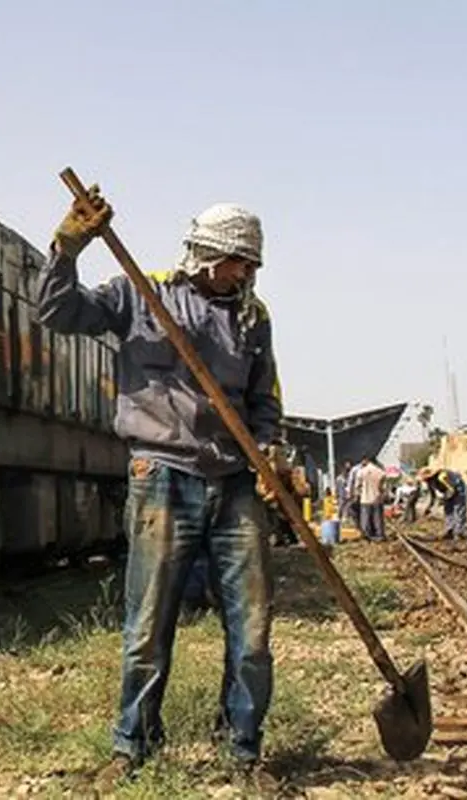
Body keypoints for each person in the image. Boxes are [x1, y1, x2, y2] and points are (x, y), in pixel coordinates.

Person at [36, 187, 292, 788]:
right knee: (147, 624)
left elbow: (264, 399)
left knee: (252, 630)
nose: (246, 273)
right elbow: (57, 313)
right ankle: (133, 746)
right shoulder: (139, 293)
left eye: (252, 265)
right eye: (238, 261)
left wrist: (269, 451)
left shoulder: (254, 318)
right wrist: (67, 249)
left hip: (233, 484)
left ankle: (244, 749)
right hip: (161, 475)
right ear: (206, 255)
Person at [419, 466, 467, 539]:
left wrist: (443, 499)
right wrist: (428, 508)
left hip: (458, 488)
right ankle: (450, 530)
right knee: (448, 510)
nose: (425, 481)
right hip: (448, 491)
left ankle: (460, 532)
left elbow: (452, 490)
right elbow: (433, 497)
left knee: (459, 509)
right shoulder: (430, 483)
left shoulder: (442, 476)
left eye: (425, 479)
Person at [356, 456, 387, 541]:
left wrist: (359, 493)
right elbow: (383, 487)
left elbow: (357, 486)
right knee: (378, 518)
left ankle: (366, 535)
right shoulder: (380, 472)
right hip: (377, 498)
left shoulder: (361, 471)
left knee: (365, 518)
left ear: (367, 461)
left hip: (365, 498)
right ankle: (380, 535)